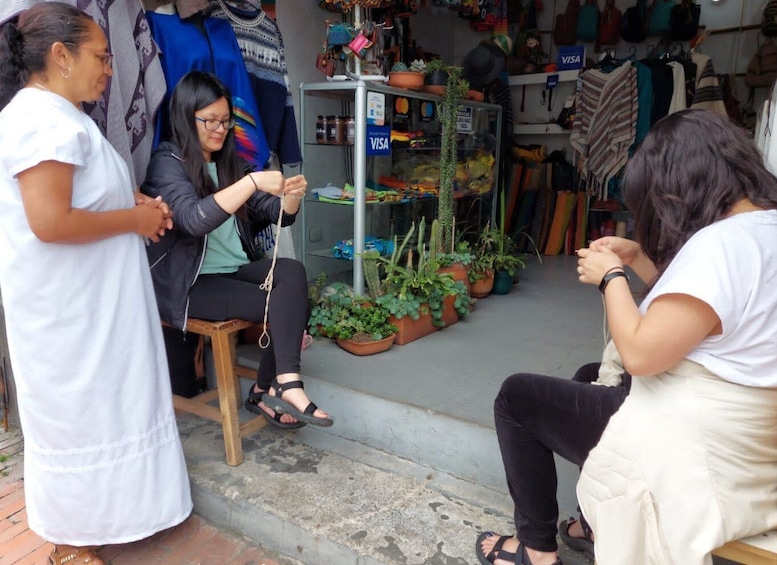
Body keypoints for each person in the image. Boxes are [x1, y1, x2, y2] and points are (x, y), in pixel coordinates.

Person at [479, 108, 777, 565]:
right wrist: (638, 258)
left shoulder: (720, 243)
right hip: (747, 437)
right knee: (591, 374)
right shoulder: (761, 229)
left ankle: (537, 551)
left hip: (694, 448)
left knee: (516, 398)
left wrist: (610, 277)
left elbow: (639, 353)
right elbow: (707, 314)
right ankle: (595, 524)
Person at [0, 4, 192, 565]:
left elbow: (88, 192)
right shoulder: (41, 120)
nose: (110, 69)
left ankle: (117, 516)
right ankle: (71, 539)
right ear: (60, 56)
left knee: (108, 409)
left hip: (93, 305)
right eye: (101, 57)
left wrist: (134, 203)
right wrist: (134, 220)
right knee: (77, 420)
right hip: (68, 313)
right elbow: (51, 221)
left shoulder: (65, 116)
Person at [141, 70, 332, 429]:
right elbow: (194, 219)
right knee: (285, 302)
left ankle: (273, 385)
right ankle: (274, 388)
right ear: (186, 117)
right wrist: (251, 181)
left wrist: (291, 197)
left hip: (234, 269)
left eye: (226, 121)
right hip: (192, 284)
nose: (219, 129)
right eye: (210, 120)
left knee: (291, 273)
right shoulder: (167, 164)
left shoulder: (229, 163)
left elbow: (278, 216)